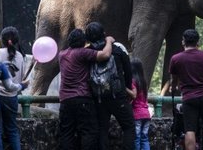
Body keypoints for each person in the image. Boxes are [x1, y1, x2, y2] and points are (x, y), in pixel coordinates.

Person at [59, 28, 114, 150]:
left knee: (66, 133)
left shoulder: (62, 55)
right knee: (89, 132)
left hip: (65, 100)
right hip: (82, 98)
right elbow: (105, 55)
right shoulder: (83, 53)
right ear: (83, 41)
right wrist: (109, 41)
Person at [85, 22, 135, 150]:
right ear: (104, 34)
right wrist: (127, 89)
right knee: (129, 126)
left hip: (99, 97)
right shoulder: (117, 48)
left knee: (103, 128)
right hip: (118, 95)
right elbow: (128, 71)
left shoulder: (88, 52)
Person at [169, 29, 203, 150]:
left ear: (183, 42)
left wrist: (174, 87)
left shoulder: (176, 59)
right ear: (198, 42)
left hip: (189, 98)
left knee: (190, 130)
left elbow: (174, 80)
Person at [0, 27, 26, 150]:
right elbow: (22, 79)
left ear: (2, 40)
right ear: (16, 40)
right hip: (12, 97)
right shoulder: (21, 56)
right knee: (12, 131)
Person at [130, 59, 151, 150]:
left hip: (137, 114)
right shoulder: (144, 82)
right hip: (146, 114)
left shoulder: (133, 82)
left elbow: (133, 97)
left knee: (136, 139)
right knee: (145, 138)